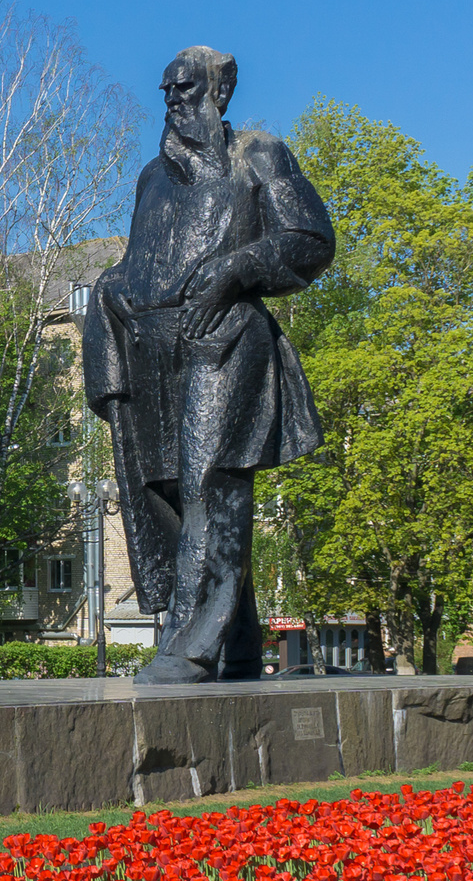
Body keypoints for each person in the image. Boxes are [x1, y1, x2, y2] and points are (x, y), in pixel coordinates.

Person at [86, 46, 335, 683]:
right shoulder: (151, 178)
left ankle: (191, 641)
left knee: (210, 482)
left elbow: (310, 239)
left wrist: (234, 269)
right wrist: (115, 285)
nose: (173, 97)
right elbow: (144, 260)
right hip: (151, 349)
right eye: (166, 87)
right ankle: (239, 639)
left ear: (219, 91)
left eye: (186, 86)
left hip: (224, 336)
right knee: (166, 489)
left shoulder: (259, 155)